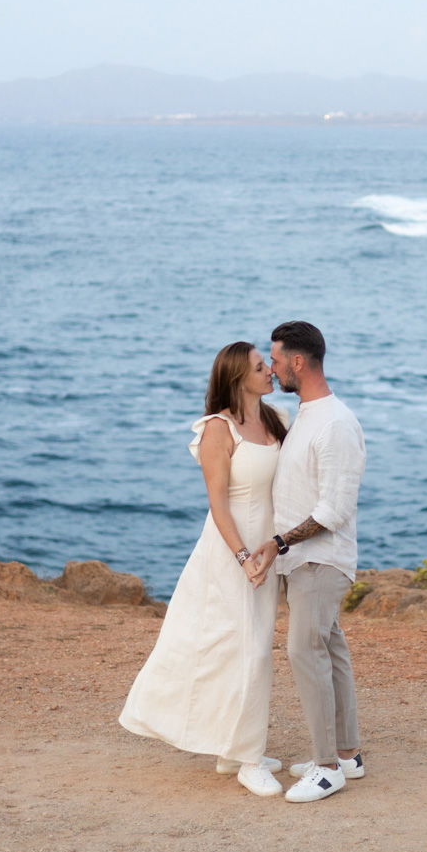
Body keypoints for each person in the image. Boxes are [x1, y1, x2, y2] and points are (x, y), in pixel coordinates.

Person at [118, 341, 290, 797]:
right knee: (244, 651)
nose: (270, 371)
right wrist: (243, 558)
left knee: (253, 648)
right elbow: (218, 504)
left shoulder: (274, 418)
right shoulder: (218, 429)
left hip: (267, 550)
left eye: (267, 364)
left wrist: (274, 549)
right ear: (237, 378)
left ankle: (234, 748)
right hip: (230, 552)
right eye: (260, 367)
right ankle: (249, 759)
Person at [248, 321, 367, 803]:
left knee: (305, 652)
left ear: (298, 362)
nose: (272, 369)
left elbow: (333, 510)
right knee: (329, 651)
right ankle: (347, 756)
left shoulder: (335, 423)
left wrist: (279, 542)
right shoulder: (309, 414)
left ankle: (325, 768)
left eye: (276, 360)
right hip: (303, 561)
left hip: (320, 561)